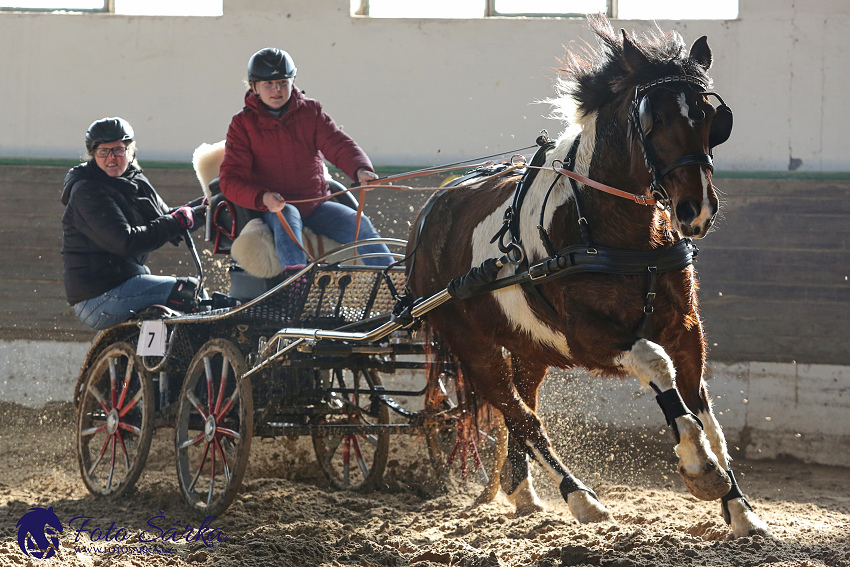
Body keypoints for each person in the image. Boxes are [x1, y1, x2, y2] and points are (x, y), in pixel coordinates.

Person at [219, 47, 392, 269]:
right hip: (273, 208)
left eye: (282, 82)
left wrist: (360, 170)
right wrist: (263, 198)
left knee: (359, 224)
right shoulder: (242, 124)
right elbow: (230, 180)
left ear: (292, 81)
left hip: (316, 204)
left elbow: (338, 144)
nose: (277, 90)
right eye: (268, 84)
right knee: (287, 215)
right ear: (254, 88)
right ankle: (296, 286)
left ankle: (392, 283)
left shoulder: (311, 112)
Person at [61, 117, 207, 330]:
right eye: (103, 151)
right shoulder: (87, 191)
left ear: (131, 151)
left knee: (191, 297)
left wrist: (205, 207)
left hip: (126, 284)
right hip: (99, 296)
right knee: (190, 292)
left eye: (118, 150)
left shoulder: (135, 180)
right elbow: (126, 242)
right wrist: (178, 221)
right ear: (92, 155)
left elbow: (168, 222)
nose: (111, 158)